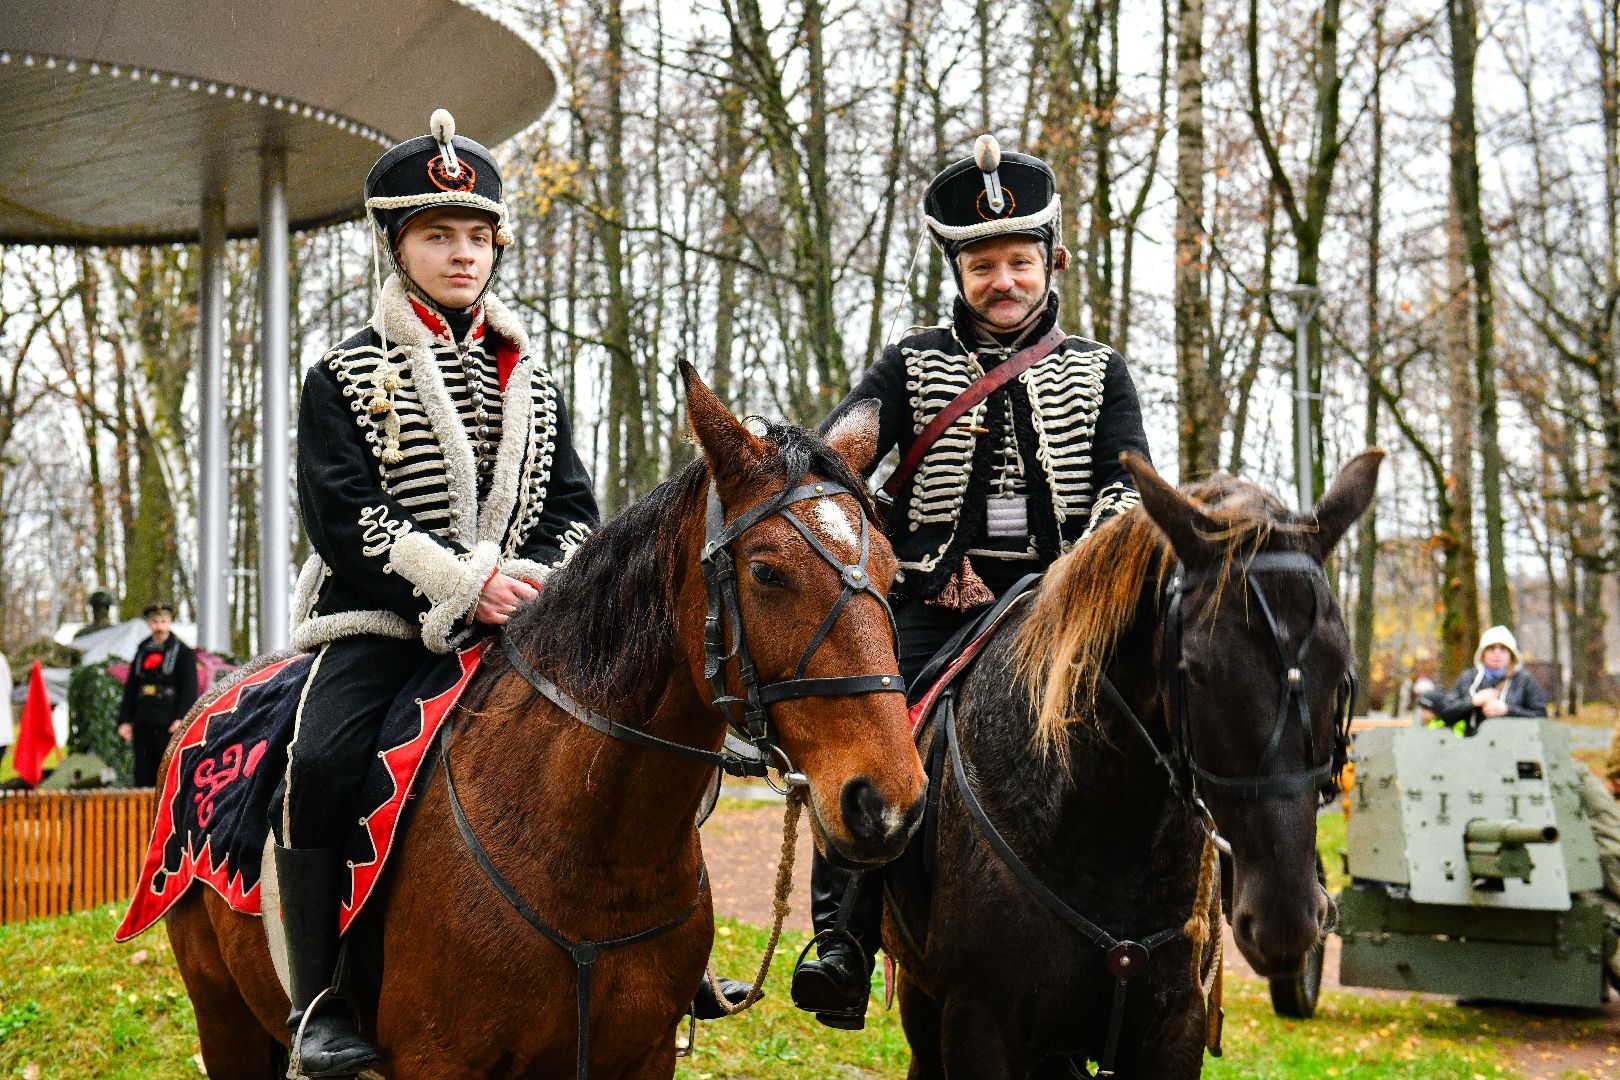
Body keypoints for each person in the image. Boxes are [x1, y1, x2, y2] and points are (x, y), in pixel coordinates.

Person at [793, 136, 1153, 1029]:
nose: (1003, 280)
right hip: (928, 605)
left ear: (1051, 260)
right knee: (878, 730)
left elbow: (1126, 485)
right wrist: (857, 508)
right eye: (983, 264)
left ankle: (1174, 927)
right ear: (958, 270)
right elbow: (844, 454)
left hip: (1060, 614)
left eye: (1019, 262)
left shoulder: (1102, 371)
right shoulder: (909, 364)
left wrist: (1073, 580)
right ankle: (845, 935)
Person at [273, 110, 603, 1076]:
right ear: (396, 245)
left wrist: (531, 581)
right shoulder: (342, 374)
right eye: (436, 235)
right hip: (382, 621)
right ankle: (323, 997)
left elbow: (572, 510)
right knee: (325, 761)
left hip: (527, 624)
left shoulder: (536, 381)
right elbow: (346, 518)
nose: (462, 255)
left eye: (476, 236)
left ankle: (648, 951)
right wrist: (466, 582)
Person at [115, 602, 199, 786]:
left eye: (163, 621)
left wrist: (181, 719)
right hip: (143, 721)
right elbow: (132, 687)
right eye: (155, 621)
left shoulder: (183, 652)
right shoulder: (142, 649)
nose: (159, 626)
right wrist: (125, 720)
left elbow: (189, 689)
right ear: (148, 623)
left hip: (168, 723)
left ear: (170, 622)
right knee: (143, 773)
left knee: (167, 772)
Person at [1423, 625, 1548, 737]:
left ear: (1511, 655)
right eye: (1491, 648)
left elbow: (1540, 716)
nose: (1497, 653)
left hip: (1515, 749)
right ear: (1483, 653)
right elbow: (1446, 713)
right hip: (1472, 750)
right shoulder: (1468, 679)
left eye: (1503, 649)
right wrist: (1472, 702)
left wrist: (1507, 710)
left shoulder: (1525, 681)